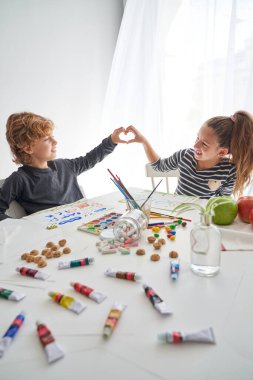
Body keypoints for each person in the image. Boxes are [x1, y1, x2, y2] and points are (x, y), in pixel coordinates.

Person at [0, 112, 130, 221]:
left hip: (86, 222)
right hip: (55, 236)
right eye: (46, 139)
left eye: (53, 137)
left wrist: (111, 140)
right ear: (28, 148)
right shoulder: (19, 179)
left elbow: (90, 159)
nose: (55, 142)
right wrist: (22, 227)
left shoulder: (65, 166)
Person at [126, 110, 253, 199]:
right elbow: (159, 166)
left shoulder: (229, 171)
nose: (195, 146)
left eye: (204, 144)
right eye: (197, 138)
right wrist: (144, 142)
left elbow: (221, 202)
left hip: (201, 221)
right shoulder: (184, 156)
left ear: (222, 152)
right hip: (176, 215)